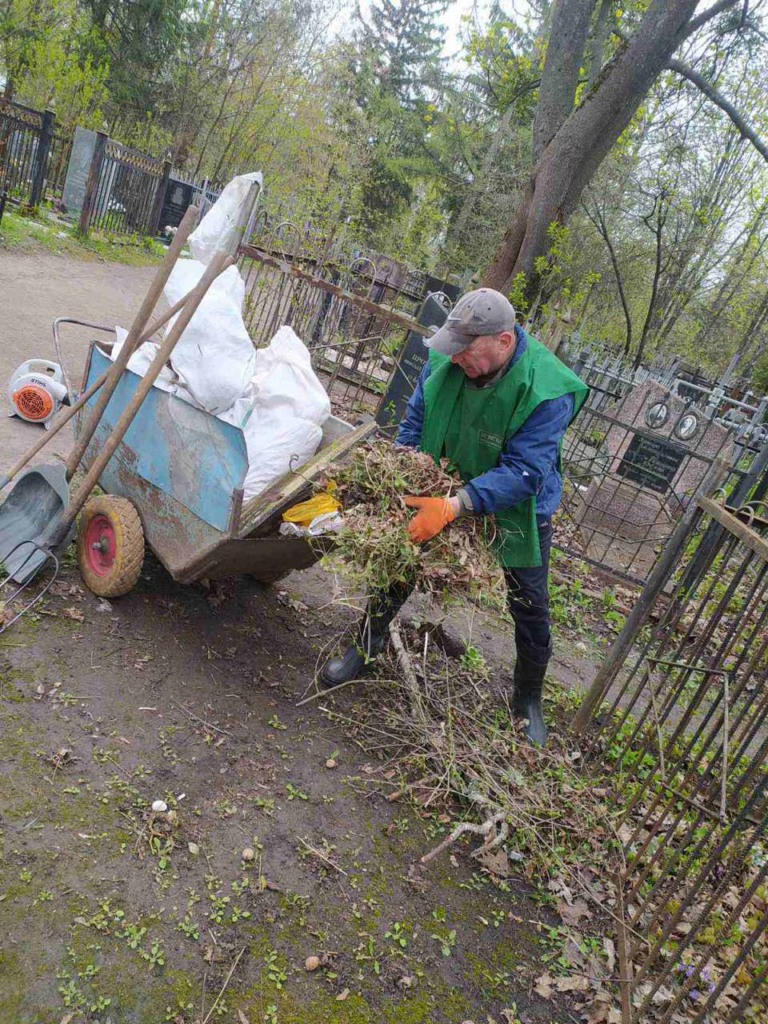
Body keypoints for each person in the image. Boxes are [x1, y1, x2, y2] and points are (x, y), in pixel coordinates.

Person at [320, 288, 588, 745]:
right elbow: (416, 419)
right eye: (454, 348)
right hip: (445, 476)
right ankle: (367, 643)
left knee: (529, 603)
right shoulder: (448, 358)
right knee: (400, 564)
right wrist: (406, 468)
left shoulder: (547, 389)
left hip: (518, 504)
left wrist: (456, 506)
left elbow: (524, 471)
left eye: (468, 350)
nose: (457, 358)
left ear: (504, 342)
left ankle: (527, 698)